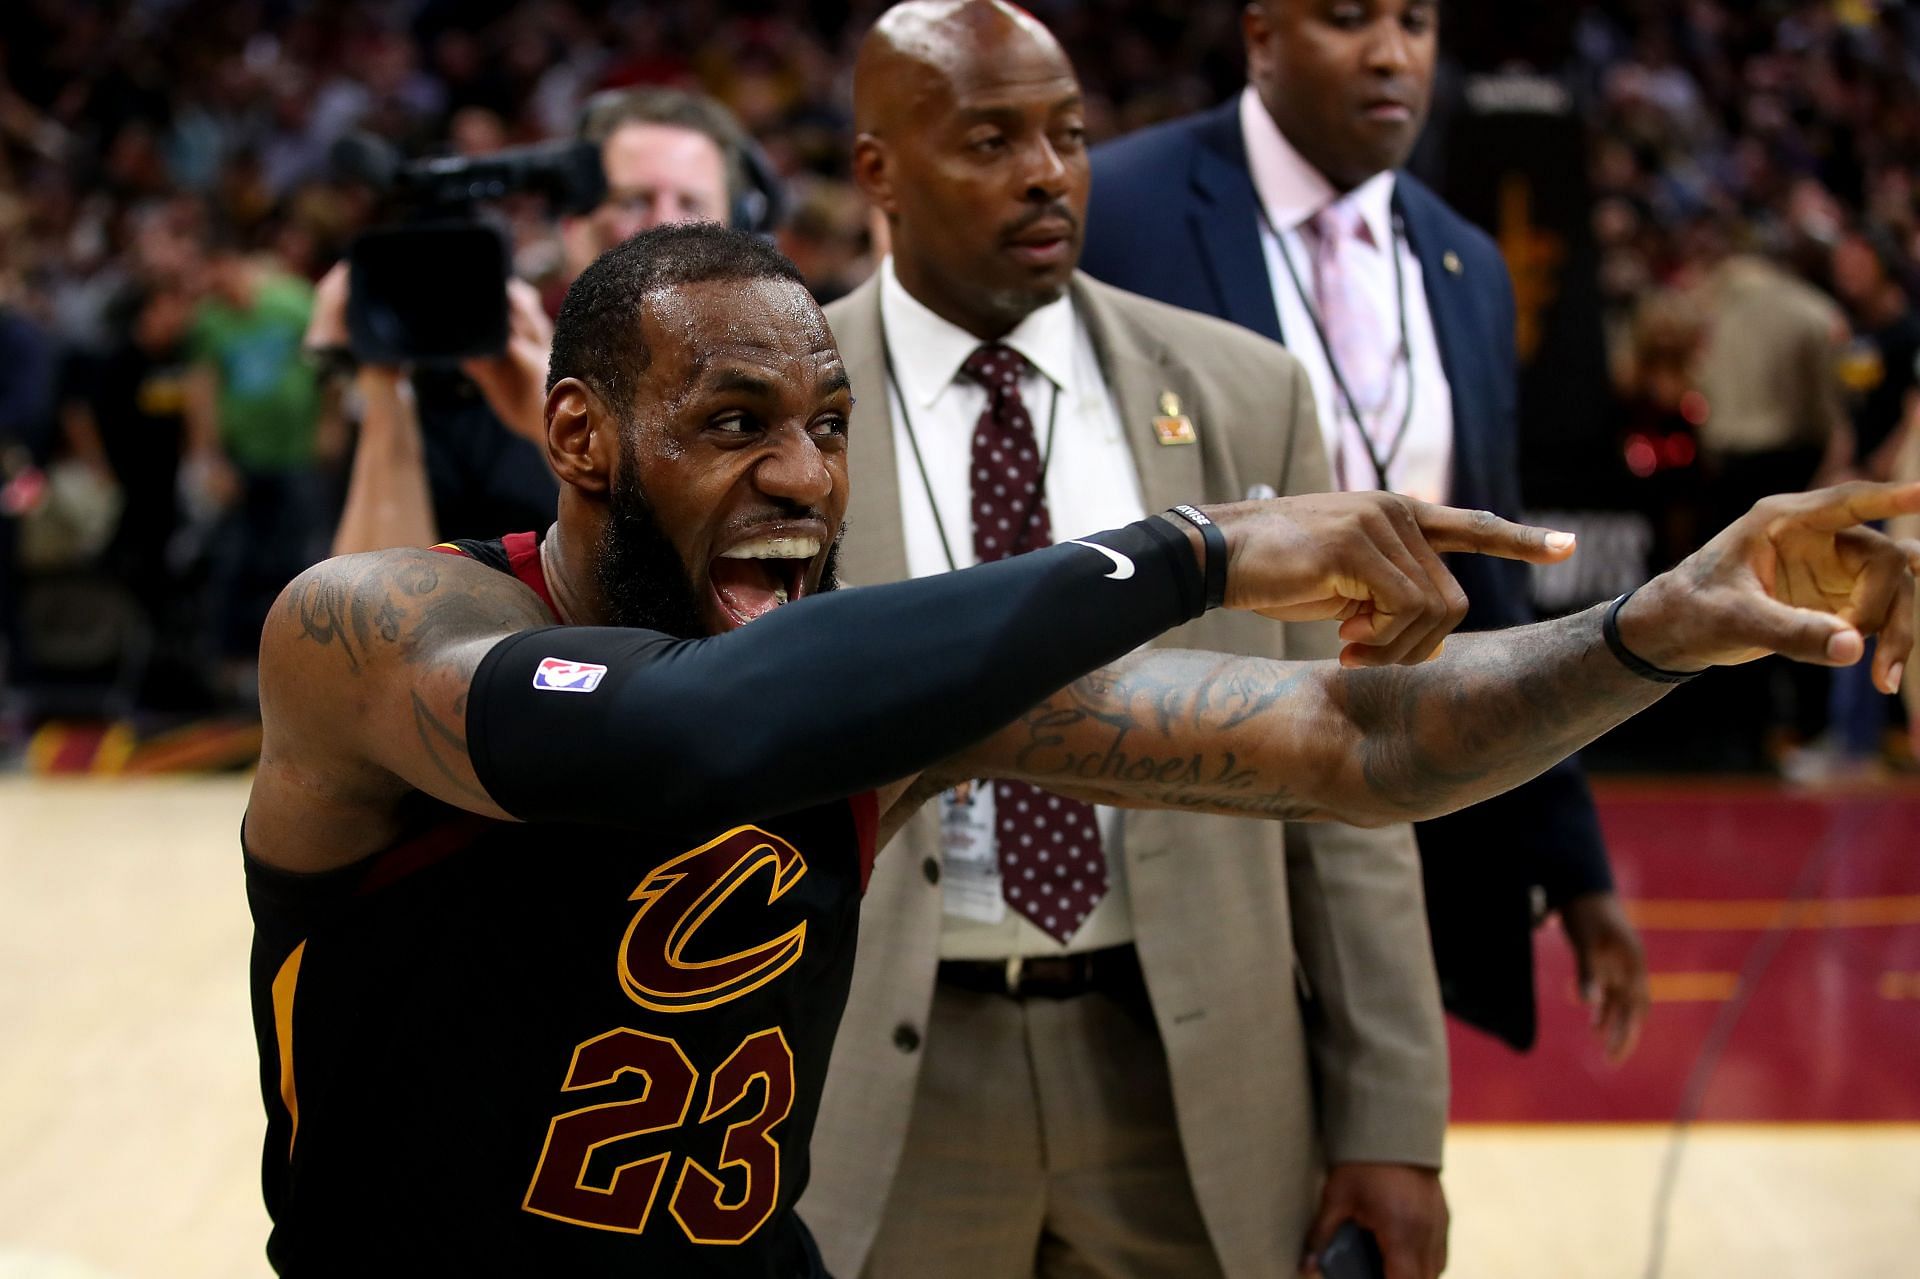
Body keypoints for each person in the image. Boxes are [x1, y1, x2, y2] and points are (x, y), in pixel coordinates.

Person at [243, 220, 1920, 1277]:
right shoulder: (378, 631)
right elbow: (679, 737)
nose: (804, 478)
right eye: (734, 424)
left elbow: (1355, 744)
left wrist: (1659, 628)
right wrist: (1188, 549)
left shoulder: (863, 679)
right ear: (582, 435)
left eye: (827, 427)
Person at [804, 5, 1444, 1277]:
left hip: (1186, 1057)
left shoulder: (1243, 393)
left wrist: (1390, 1116)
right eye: (990, 139)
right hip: (883, 1072)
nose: (1047, 171)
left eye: (1070, 135)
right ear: (877, 169)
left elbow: (1348, 770)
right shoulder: (784, 403)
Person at [1079, 0, 1647, 1060]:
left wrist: (1573, 864)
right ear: (1260, 35)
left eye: (1419, 21)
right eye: (1348, 19)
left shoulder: (1467, 264)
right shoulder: (1118, 209)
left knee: (1389, 1166)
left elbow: (1505, 599)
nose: (1392, 54)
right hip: (1182, 806)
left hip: (1406, 802)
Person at [326, 87, 779, 558]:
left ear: (740, 227)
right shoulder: (479, 372)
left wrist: (559, 432)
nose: (663, 224)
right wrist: (384, 381)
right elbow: (367, 615)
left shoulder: (770, 383)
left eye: (690, 203)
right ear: (570, 222)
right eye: (633, 200)